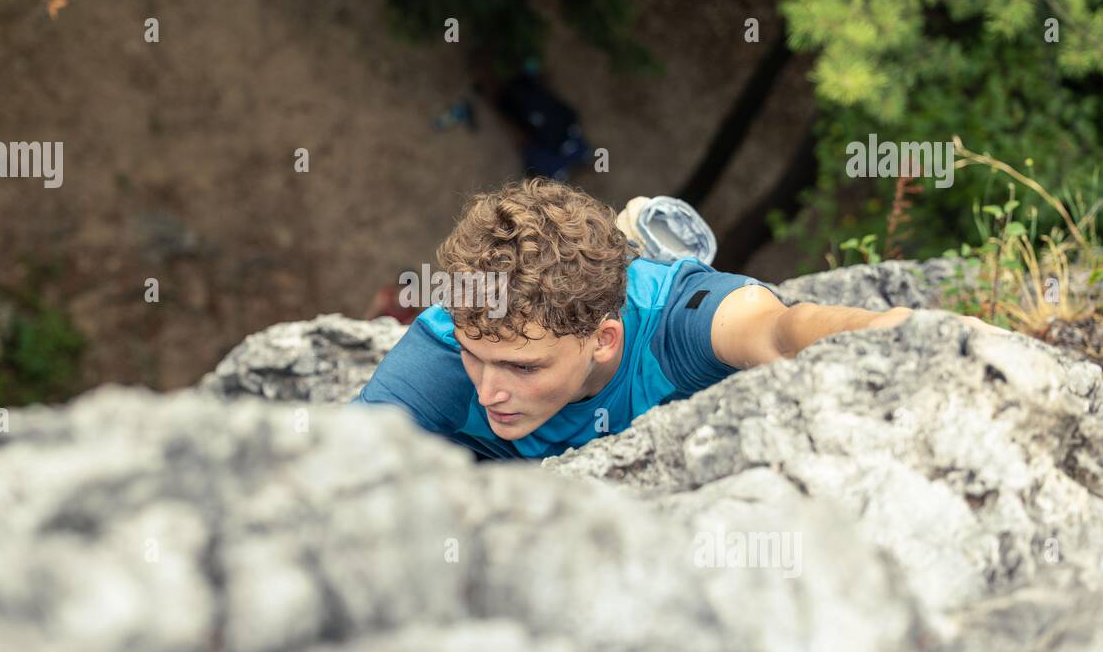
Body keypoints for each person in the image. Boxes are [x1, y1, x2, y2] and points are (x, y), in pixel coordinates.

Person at [354, 178, 998, 460]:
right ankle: (627, 235)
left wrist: (895, 332)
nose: (489, 389)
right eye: (477, 353)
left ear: (605, 340)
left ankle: (638, 243)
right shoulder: (440, 357)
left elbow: (779, 329)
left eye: (523, 367)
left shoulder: (675, 326)